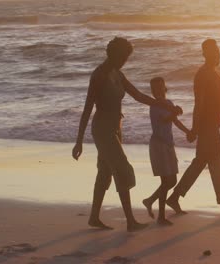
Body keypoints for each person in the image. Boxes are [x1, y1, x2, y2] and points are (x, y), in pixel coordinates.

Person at [71, 37, 182, 232]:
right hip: (103, 129)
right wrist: (79, 141)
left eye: (127, 58)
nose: (125, 61)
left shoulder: (118, 74)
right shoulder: (99, 75)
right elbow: (88, 108)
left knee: (105, 173)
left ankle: (94, 218)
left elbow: (138, 95)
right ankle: (130, 222)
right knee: (123, 170)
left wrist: (162, 103)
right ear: (114, 54)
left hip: (115, 128)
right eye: (124, 57)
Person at [166, 39, 220, 219]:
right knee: (216, 164)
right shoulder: (202, 75)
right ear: (205, 54)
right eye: (213, 52)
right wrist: (194, 129)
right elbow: (199, 103)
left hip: (212, 126)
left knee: (199, 163)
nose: (218, 55)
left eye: (218, 51)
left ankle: (174, 197)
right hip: (206, 127)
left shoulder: (217, 74)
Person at [142, 77, 192, 226]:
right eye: (154, 89)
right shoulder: (155, 105)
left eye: (160, 87)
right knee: (166, 181)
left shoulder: (168, 103)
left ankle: (150, 200)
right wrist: (175, 112)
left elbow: (174, 121)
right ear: (152, 91)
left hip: (168, 145)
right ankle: (161, 217)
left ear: (165, 88)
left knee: (172, 180)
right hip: (159, 145)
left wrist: (188, 131)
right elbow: (165, 119)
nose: (157, 91)